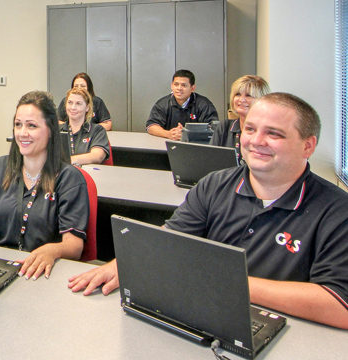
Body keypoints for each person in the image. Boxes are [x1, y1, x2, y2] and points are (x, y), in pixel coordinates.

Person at [69, 93, 348, 329]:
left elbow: (339, 304)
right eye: (250, 130)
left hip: (288, 332)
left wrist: (229, 284)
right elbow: (172, 239)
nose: (256, 140)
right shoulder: (215, 185)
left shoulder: (336, 210)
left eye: (273, 134)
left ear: (308, 145)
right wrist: (129, 262)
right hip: (206, 316)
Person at [0, 91, 89, 281]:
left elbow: (75, 246)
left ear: (50, 130)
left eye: (32, 126)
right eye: (18, 125)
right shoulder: (0, 168)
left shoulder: (69, 179)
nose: (22, 133)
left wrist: (52, 250)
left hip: (43, 273)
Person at [210, 75, 270, 164]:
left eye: (248, 95)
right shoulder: (224, 127)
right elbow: (210, 161)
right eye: (238, 94)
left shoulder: (268, 131)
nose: (241, 100)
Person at [146, 69, 219, 140]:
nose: (179, 88)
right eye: (176, 84)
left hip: (196, 146)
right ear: (171, 86)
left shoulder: (204, 104)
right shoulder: (162, 104)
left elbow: (213, 128)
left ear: (192, 88)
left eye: (184, 85)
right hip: (167, 145)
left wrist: (187, 134)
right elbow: (151, 126)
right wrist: (169, 134)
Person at [60, 87, 110, 165]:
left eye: (78, 104)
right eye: (70, 102)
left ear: (87, 107)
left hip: (88, 175)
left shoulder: (97, 130)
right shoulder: (56, 130)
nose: (73, 107)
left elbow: (97, 156)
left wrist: (69, 160)